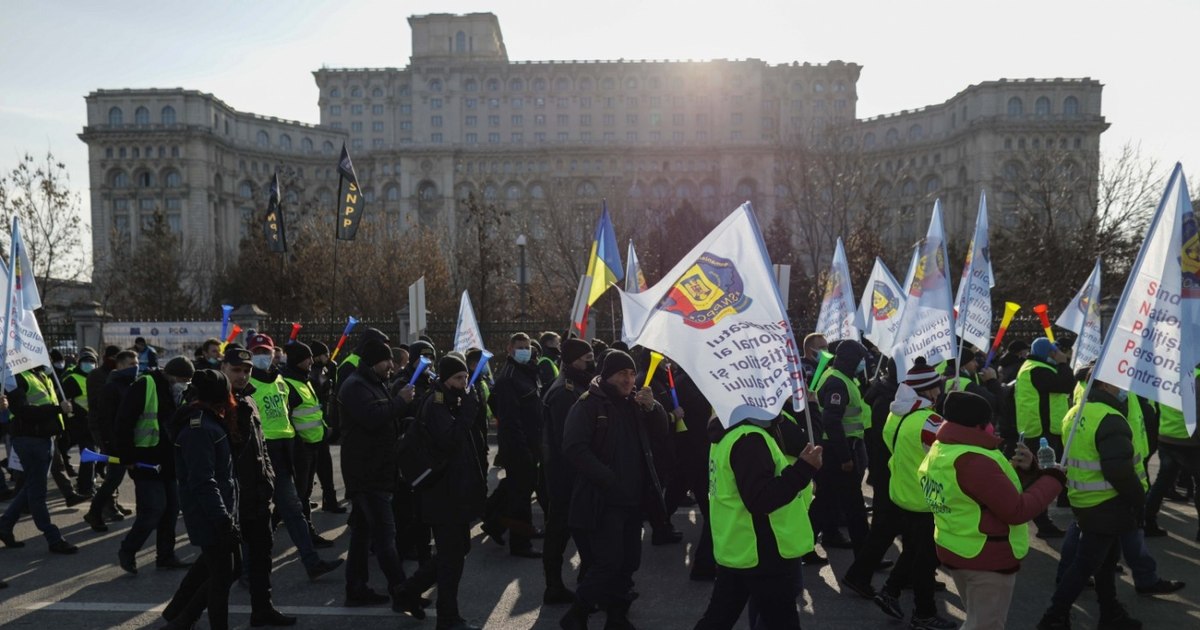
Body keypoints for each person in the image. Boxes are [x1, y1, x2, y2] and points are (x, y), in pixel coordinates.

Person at [919, 390, 1064, 630]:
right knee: (985, 626)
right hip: (985, 557)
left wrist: (1025, 471)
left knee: (976, 620)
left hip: (957, 547)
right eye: (989, 422)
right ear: (979, 425)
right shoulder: (974, 459)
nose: (993, 427)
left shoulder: (944, 448)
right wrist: (1053, 479)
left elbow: (978, 495)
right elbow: (1016, 511)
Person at [559, 350, 668, 630]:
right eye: (622, 374)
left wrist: (653, 408)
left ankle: (617, 617)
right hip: (603, 500)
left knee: (629, 561)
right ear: (608, 375)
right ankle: (577, 615)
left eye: (631, 374)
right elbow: (574, 448)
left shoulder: (636, 403)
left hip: (634, 498)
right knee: (608, 563)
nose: (629, 379)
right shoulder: (589, 404)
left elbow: (661, 433)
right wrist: (608, 479)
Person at [1036, 381, 1157, 630]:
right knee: (1085, 565)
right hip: (1108, 504)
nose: (1124, 388)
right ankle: (1054, 617)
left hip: (1086, 500)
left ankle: (1110, 612)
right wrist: (1139, 500)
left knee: (1106, 562)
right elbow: (1119, 471)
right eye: (1118, 382)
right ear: (1103, 384)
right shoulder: (1110, 418)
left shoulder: (1076, 412)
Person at [692, 410, 822, 630]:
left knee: (718, 619)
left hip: (740, 545)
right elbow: (761, 500)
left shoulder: (731, 432)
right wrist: (804, 469)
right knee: (781, 623)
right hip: (762, 550)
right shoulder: (749, 438)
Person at [395, 354, 487, 630]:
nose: (463, 383)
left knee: (457, 550)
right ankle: (447, 618)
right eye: (458, 378)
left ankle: (407, 591)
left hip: (454, 490)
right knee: (451, 557)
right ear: (445, 379)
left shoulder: (451, 400)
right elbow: (450, 441)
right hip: (440, 492)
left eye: (465, 378)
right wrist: (468, 411)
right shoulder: (436, 404)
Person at [247, 333, 342, 580]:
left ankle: (312, 563)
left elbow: (288, 414)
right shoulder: (246, 383)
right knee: (257, 516)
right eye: (257, 352)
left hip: (283, 454)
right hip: (258, 454)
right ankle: (248, 571)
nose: (263, 357)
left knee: (293, 509)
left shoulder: (280, 381)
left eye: (266, 352)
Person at [220, 346, 297, 627]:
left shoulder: (249, 399)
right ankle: (181, 616)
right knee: (221, 567)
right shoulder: (214, 402)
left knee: (262, 556)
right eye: (236, 370)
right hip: (231, 497)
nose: (242, 375)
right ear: (223, 369)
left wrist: (268, 478)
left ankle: (262, 609)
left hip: (257, 494)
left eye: (246, 370)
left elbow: (260, 445)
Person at [339, 338, 415, 611]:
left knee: (362, 534)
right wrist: (401, 402)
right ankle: (403, 592)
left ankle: (356, 588)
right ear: (373, 361)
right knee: (385, 537)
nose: (392, 365)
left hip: (379, 469)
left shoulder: (374, 382)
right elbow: (372, 418)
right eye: (387, 361)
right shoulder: (355, 386)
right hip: (366, 473)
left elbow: (385, 418)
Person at [162, 369, 239, 630]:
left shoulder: (208, 420)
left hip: (217, 510)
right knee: (222, 576)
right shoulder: (200, 428)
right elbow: (203, 481)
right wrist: (223, 520)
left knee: (221, 568)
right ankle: (187, 621)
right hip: (210, 514)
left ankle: (179, 615)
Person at [112, 356, 194, 573]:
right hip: (145, 460)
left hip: (170, 461)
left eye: (187, 381)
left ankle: (166, 556)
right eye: (182, 380)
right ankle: (128, 550)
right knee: (153, 510)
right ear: (170, 375)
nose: (184, 384)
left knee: (171, 510)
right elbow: (123, 421)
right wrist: (127, 457)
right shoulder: (145, 384)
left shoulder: (178, 392)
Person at [0, 366, 78, 553]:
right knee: (37, 493)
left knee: (32, 487)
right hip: (30, 440)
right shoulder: (16, 377)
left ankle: (4, 525)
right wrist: (58, 409)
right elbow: (23, 411)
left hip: (44, 438)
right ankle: (53, 537)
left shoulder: (40, 374)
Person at [540, 338, 593, 604]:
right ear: (573, 361)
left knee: (572, 531)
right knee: (560, 532)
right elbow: (568, 440)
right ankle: (555, 586)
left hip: (568, 473)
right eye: (587, 360)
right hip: (564, 475)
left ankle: (587, 582)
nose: (591, 364)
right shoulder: (564, 391)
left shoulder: (574, 385)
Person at [809, 339, 871, 552]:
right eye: (860, 359)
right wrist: (845, 457)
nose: (862, 363)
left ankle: (807, 546)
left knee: (825, 500)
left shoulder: (839, 376)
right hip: (839, 450)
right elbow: (832, 421)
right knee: (854, 506)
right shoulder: (838, 382)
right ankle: (865, 556)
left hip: (835, 448)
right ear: (851, 360)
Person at [486, 333, 543, 557]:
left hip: (530, 443)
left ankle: (493, 520)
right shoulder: (509, 377)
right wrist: (523, 449)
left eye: (527, 347)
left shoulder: (526, 372)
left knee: (516, 487)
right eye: (520, 347)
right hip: (519, 446)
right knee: (520, 497)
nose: (525, 351)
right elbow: (509, 419)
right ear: (509, 349)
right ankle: (521, 543)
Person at [1014, 337, 1073, 538]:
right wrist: (1063, 363)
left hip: (1038, 429)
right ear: (1048, 353)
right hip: (1042, 432)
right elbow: (1065, 384)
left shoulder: (1031, 367)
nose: (1057, 355)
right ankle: (1043, 523)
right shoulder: (1038, 369)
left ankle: (1044, 518)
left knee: (1040, 474)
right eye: (1054, 352)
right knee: (1041, 477)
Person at [279, 341, 334, 547]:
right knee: (301, 494)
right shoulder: (287, 382)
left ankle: (299, 531)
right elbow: (288, 417)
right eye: (307, 358)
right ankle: (307, 535)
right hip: (301, 446)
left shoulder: (304, 379)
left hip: (314, 442)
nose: (311, 361)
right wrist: (298, 443)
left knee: (304, 492)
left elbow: (313, 409)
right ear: (297, 360)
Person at [84, 349, 139, 530]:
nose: (135, 367)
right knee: (114, 477)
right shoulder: (110, 386)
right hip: (114, 440)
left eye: (137, 363)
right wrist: (110, 445)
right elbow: (105, 420)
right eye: (131, 364)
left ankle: (104, 507)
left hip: (125, 439)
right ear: (120, 365)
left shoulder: (130, 384)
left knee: (115, 477)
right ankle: (95, 512)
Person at [307, 340, 344, 513]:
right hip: (312, 428)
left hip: (319, 426)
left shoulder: (322, 370)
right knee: (315, 469)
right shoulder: (313, 374)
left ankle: (329, 500)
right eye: (325, 354)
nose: (328, 357)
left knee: (322, 467)